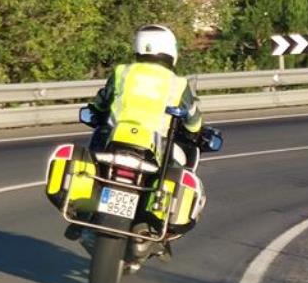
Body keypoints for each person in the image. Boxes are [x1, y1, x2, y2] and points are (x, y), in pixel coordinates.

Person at [65, 24, 204, 241]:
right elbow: (193, 119)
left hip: (117, 138)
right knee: (174, 167)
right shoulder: (178, 84)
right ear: (171, 49)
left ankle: (84, 209)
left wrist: (96, 111)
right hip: (154, 144)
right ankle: (161, 220)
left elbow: (102, 102)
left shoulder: (122, 72)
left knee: (96, 151)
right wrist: (195, 130)